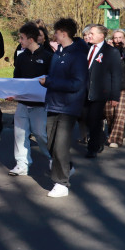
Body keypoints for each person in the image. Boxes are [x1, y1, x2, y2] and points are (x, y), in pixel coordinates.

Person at [39, 19, 87, 198]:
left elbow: (77, 83)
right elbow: (54, 76)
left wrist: (50, 82)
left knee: (60, 146)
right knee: (50, 144)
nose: (54, 35)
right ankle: (68, 167)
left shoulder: (78, 56)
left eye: (56, 32)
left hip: (69, 106)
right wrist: (47, 81)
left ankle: (61, 183)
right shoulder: (58, 53)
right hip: (53, 103)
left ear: (64, 33)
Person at [7, 22, 52, 176]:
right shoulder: (21, 57)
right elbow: (16, 78)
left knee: (40, 134)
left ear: (31, 40)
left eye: (22, 38)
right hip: (22, 104)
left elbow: (53, 80)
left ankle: (53, 158)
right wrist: (13, 93)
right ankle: (22, 164)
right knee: (19, 134)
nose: (20, 41)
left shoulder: (48, 57)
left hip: (40, 105)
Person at [83, 24, 121, 157]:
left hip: (100, 92)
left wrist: (115, 96)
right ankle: (98, 138)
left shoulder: (111, 52)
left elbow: (116, 75)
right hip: (85, 91)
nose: (89, 36)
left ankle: (93, 147)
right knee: (86, 118)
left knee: (94, 119)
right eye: (88, 33)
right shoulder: (86, 48)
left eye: (92, 33)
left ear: (101, 36)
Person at [105, 29, 125, 148]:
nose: (118, 40)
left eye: (120, 37)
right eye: (115, 38)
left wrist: (123, 51)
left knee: (120, 113)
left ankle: (115, 139)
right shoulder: (109, 52)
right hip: (110, 86)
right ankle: (113, 133)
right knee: (110, 113)